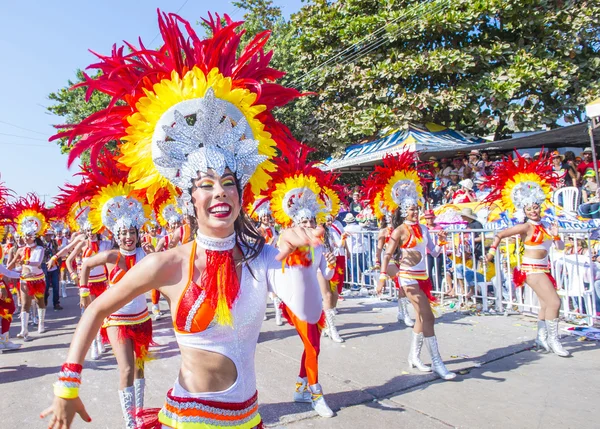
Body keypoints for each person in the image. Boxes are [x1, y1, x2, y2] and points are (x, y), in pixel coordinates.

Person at [41, 11, 330, 429]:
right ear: (188, 196)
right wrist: (67, 386)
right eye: (206, 185)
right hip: (188, 418)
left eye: (229, 183)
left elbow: (307, 308)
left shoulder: (261, 256)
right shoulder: (170, 263)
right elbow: (97, 309)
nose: (219, 193)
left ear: (241, 192)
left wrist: (302, 256)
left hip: (246, 419)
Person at [372, 151, 456, 380]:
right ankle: (438, 363)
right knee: (428, 317)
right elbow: (388, 254)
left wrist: (443, 244)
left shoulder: (425, 229)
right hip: (407, 278)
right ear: (402, 211)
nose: (415, 212)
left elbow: (433, 252)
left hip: (423, 278)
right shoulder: (400, 230)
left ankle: (414, 357)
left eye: (416, 208)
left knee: (421, 317)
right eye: (411, 209)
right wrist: (381, 277)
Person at [78, 180, 155, 428]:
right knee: (126, 369)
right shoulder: (111, 256)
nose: (128, 237)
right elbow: (86, 264)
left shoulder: (146, 255)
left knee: (141, 368)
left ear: (136, 234)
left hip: (142, 318)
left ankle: (140, 413)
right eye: (123, 233)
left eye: (131, 232)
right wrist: (83, 291)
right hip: (117, 320)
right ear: (115, 235)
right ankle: (129, 422)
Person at [483, 152, 569, 357]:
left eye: (535, 207)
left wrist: (556, 236)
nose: (533, 211)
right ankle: (554, 341)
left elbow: (561, 248)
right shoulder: (525, 227)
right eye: (529, 209)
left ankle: (541, 338)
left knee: (546, 304)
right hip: (530, 270)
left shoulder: (548, 225)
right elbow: (501, 233)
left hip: (543, 269)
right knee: (555, 302)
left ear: (540, 207)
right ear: (525, 210)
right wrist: (492, 251)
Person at [7, 194, 51, 339]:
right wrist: (6, 271)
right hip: (25, 279)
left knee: (40, 302)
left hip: (38, 278)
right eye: (24, 236)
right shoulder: (20, 250)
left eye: (28, 235)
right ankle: (24, 330)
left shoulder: (39, 249)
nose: (25, 238)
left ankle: (41, 324)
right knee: (25, 304)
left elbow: (37, 262)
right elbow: (11, 263)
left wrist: (24, 262)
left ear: (34, 236)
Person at [343, 213, 365, 290]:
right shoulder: (359, 227)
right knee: (364, 268)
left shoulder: (345, 229)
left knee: (353, 269)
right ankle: (368, 284)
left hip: (351, 250)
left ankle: (356, 285)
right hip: (361, 249)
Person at [42, 229, 63, 311]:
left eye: (49, 235)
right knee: (46, 287)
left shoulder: (54, 243)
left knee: (56, 286)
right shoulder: (41, 244)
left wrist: (59, 265)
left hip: (54, 268)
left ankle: (56, 303)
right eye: (46, 235)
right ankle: (44, 300)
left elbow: (58, 253)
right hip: (45, 268)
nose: (47, 237)